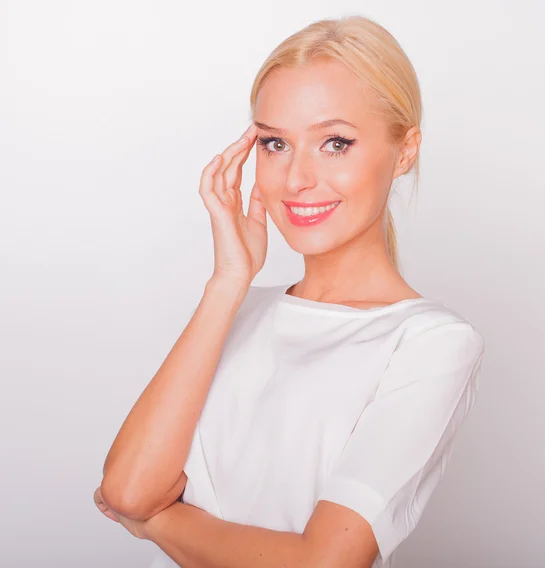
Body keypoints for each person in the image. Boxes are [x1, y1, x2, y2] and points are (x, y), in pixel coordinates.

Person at [95, 15, 486, 568]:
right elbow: (128, 490)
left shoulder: (431, 343)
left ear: (404, 151)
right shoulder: (238, 309)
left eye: (335, 143)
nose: (297, 178)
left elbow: (324, 563)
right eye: (276, 143)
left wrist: (158, 521)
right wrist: (229, 280)